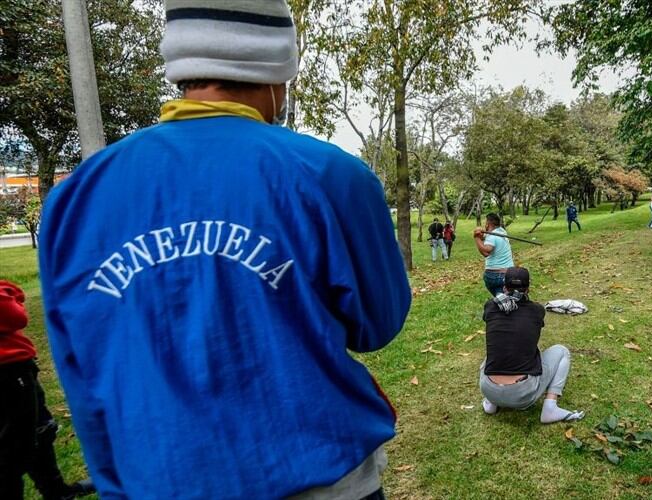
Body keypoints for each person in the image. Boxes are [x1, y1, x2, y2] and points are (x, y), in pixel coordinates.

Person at [37, 1, 411, 498]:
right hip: (319, 475)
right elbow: (376, 325)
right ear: (278, 70)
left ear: (182, 67)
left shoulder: (74, 197)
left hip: (158, 479)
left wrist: (113, 482)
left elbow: (79, 368)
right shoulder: (329, 175)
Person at [1, 280, 95, 500]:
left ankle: (56, 491)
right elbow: (13, 315)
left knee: (40, 428)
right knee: (13, 446)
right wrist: (9, 292)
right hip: (7, 373)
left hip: (18, 368)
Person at [478, 268, 584, 424]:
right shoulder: (537, 310)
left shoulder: (490, 306)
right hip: (522, 395)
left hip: (488, 388)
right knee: (562, 351)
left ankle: (491, 403)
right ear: (528, 288)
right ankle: (550, 407)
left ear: (505, 287)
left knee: (498, 348)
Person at [473, 213, 514, 296]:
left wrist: (476, 238)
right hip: (509, 273)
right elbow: (487, 238)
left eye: (485, 223)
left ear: (488, 223)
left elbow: (486, 252)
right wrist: (481, 236)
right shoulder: (502, 231)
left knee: (502, 301)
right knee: (505, 300)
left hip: (495, 275)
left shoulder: (492, 237)